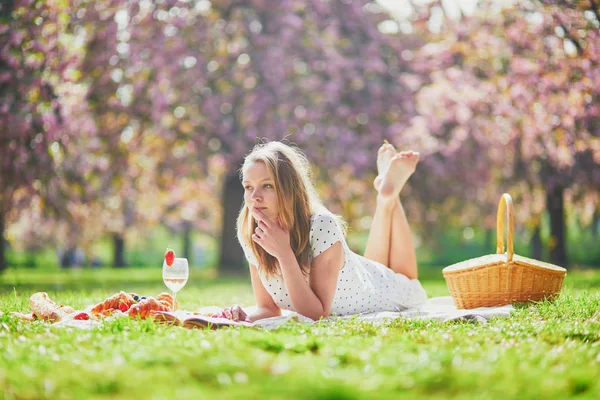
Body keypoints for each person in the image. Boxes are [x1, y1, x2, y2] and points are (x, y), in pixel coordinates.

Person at [220, 141, 428, 322]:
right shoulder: (251, 230)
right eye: (248, 187)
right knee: (372, 268)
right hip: (362, 276)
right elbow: (268, 308)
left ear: (291, 189)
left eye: (267, 186)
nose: (254, 196)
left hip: (384, 292)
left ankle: (390, 196)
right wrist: (242, 316)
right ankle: (385, 194)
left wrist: (284, 254)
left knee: (412, 286)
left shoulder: (322, 225)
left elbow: (316, 316)